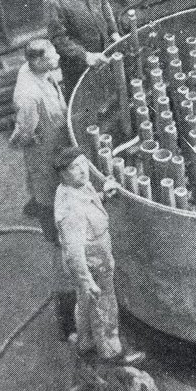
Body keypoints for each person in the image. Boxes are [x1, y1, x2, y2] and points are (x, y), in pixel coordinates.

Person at [9, 39, 74, 339]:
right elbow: (24, 133)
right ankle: (66, 319)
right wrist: (29, 143)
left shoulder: (40, 74)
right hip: (45, 168)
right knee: (59, 245)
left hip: (53, 156)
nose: (58, 55)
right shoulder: (28, 96)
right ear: (37, 62)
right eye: (53, 55)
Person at [53, 146, 141, 365]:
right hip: (93, 266)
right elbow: (74, 253)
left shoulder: (74, 187)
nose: (83, 170)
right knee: (104, 307)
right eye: (75, 167)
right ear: (63, 174)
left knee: (84, 305)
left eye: (83, 163)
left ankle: (86, 342)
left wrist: (103, 195)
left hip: (92, 262)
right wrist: (88, 281)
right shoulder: (71, 209)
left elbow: (89, 203)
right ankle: (112, 351)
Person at [43, 0, 122, 98]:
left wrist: (113, 32)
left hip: (104, 50)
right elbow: (58, 39)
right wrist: (86, 56)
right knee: (86, 101)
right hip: (78, 65)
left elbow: (104, 1)